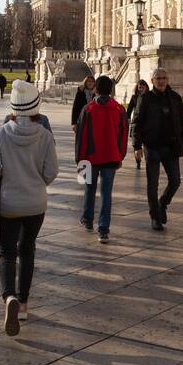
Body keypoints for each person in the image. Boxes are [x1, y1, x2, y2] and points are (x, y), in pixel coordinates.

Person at [0, 80, 59, 335]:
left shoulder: (1, 133)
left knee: (7, 252)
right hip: (35, 203)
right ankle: (25, 302)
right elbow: (52, 172)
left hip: (9, 202)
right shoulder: (46, 136)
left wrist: (7, 179)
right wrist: (37, 181)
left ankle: (9, 297)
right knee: (27, 249)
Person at [133, 68, 183, 231]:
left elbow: (182, 122)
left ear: (168, 80)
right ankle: (155, 217)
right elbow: (137, 123)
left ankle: (162, 203)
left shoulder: (175, 98)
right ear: (152, 81)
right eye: (158, 78)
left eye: (164, 78)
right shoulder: (145, 98)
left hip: (171, 146)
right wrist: (137, 146)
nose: (161, 81)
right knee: (153, 183)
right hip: (152, 146)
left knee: (175, 180)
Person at [76, 74, 127, 243]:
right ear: (111, 90)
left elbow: (81, 137)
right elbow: (123, 136)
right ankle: (103, 229)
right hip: (111, 157)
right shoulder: (119, 109)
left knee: (89, 188)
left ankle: (88, 219)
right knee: (107, 193)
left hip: (90, 158)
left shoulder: (88, 109)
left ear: (96, 90)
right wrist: (120, 155)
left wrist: (80, 160)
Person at [126, 79, 148, 168]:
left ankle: (147, 160)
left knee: (146, 145)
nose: (141, 89)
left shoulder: (149, 97)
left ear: (146, 88)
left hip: (146, 124)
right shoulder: (134, 97)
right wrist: (127, 118)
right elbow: (129, 109)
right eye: (139, 87)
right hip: (136, 123)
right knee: (136, 146)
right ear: (137, 88)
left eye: (143, 87)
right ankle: (138, 162)